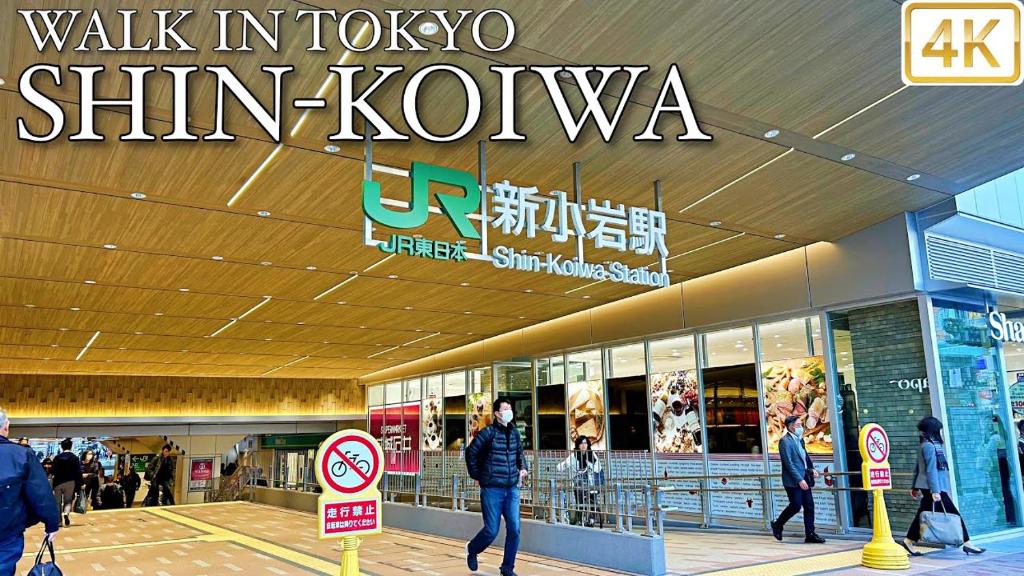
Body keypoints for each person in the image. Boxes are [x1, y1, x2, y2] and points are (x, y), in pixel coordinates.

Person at [903, 417, 985, 556]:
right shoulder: (929, 446)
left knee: (923, 514)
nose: (941, 432)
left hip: (930, 486)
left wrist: (914, 486)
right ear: (934, 430)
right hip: (933, 487)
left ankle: (908, 541)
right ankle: (967, 543)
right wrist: (935, 491)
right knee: (953, 513)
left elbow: (918, 467)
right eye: (939, 429)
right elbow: (930, 469)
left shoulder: (928, 444)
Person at [465, 398, 528, 576]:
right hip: (492, 489)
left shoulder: (514, 433)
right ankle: (472, 549)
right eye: (505, 409)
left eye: (510, 408)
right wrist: (477, 475)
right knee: (491, 530)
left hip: (511, 488)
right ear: (497, 414)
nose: (509, 412)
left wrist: (523, 467)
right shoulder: (488, 433)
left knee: (514, 529)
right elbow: (470, 452)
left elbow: (519, 453)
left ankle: (507, 568)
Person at [0, 407, 59, 576]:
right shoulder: (21, 455)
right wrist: (51, 524)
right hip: (6, 533)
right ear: (6, 425)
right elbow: (40, 494)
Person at [771, 415, 825, 543]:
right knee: (795, 505)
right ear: (791, 427)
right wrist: (799, 480)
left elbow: (805, 457)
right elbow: (788, 463)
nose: (801, 427)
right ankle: (778, 524)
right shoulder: (785, 441)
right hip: (793, 480)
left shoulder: (800, 440)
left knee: (809, 506)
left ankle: (810, 534)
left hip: (805, 476)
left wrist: (812, 469)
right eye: (798, 425)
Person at [556, 435, 603, 526]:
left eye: (585, 443)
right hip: (579, 481)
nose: (583, 445)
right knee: (580, 501)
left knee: (593, 499)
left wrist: (592, 469)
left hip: (591, 480)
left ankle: (592, 519)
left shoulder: (592, 454)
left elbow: (598, 467)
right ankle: (580, 519)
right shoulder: (574, 456)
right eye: (581, 443)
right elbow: (562, 465)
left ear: (588, 444)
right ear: (578, 445)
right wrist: (562, 467)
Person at [50, 438, 82, 527]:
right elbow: (78, 471)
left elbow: (53, 471)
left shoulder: (57, 458)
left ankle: (59, 521)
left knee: (57, 502)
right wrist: (81, 482)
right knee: (68, 501)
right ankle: (66, 513)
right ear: (71, 447)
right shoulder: (74, 458)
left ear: (62, 447)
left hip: (58, 482)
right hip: (70, 482)